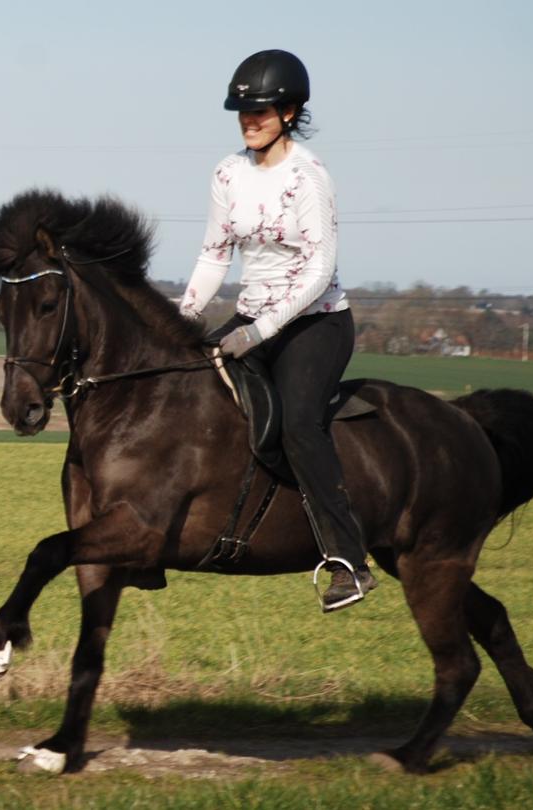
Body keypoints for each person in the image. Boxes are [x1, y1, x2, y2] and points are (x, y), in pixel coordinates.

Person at [178, 48, 377, 611]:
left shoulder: (310, 178)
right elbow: (214, 255)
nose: (249, 121)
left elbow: (317, 274)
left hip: (315, 323)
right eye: (242, 113)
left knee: (298, 426)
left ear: (289, 111)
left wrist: (257, 330)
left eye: (261, 111)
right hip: (252, 319)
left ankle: (347, 561)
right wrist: (183, 317)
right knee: (192, 398)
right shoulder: (226, 173)